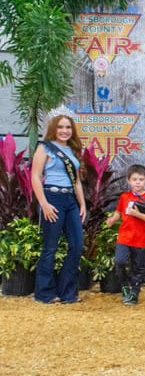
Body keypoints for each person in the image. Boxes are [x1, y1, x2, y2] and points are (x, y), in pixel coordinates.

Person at [31, 114, 86, 304]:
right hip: (52, 198)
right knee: (50, 247)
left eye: (68, 127)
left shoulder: (72, 150)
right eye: (61, 127)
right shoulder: (44, 148)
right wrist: (44, 204)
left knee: (77, 245)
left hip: (71, 200)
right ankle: (44, 294)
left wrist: (83, 204)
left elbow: (77, 181)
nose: (64, 131)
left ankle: (67, 292)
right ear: (54, 128)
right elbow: (35, 177)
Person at [106, 165, 145, 305]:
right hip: (124, 238)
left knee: (138, 268)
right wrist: (112, 219)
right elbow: (118, 212)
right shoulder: (125, 197)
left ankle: (134, 294)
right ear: (129, 181)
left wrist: (137, 214)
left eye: (141, 179)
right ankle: (124, 286)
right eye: (134, 179)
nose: (137, 182)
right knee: (120, 261)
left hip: (141, 240)